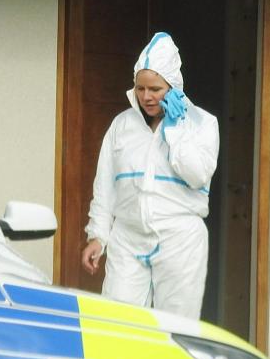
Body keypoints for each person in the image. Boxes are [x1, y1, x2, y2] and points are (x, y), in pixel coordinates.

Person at [81, 32, 220, 320]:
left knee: (177, 326)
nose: (146, 96)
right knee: (117, 324)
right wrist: (98, 236)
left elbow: (197, 175)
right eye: (140, 88)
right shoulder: (122, 125)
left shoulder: (201, 124)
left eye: (155, 88)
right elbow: (105, 185)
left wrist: (175, 130)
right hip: (128, 239)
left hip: (179, 239)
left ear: (173, 86)